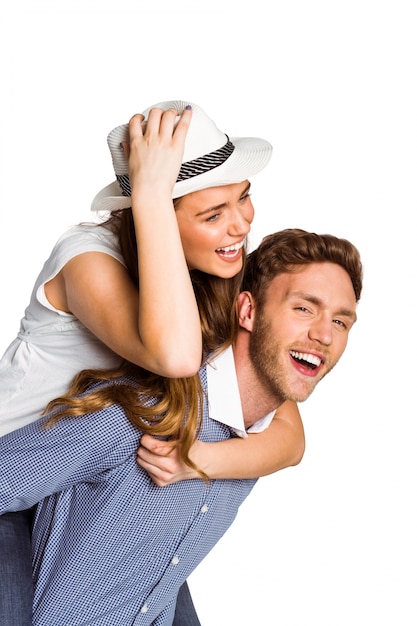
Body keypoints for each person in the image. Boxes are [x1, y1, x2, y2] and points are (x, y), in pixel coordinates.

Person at [0, 100, 301, 625]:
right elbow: (178, 357)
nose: (240, 227)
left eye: (244, 198)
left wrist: (198, 462)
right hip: (15, 488)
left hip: (89, 492)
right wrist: (152, 198)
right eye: (212, 214)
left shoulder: (207, 272)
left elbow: (286, 427)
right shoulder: (87, 259)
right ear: (149, 212)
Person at [0, 228, 363, 625]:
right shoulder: (142, 412)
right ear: (248, 311)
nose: (324, 335)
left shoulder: (254, 443)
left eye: (341, 322)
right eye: (304, 309)